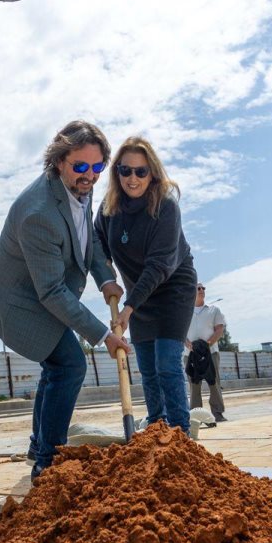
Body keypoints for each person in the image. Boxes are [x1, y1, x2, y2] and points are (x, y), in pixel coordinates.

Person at [0, 120, 132, 480]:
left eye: (97, 168)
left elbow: (89, 239)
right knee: (71, 364)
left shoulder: (80, 187)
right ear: (59, 160)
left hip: (44, 291)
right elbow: (50, 291)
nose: (90, 176)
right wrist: (103, 335)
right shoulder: (39, 214)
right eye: (80, 166)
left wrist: (105, 278)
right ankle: (47, 462)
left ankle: (39, 444)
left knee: (56, 367)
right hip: (20, 302)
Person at [95, 137, 196, 432]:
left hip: (172, 290)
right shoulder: (110, 208)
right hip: (139, 294)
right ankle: (156, 427)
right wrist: (105, 273)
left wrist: (128, 307)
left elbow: (159, 265)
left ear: (152, 172)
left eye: (141, 171)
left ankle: (180, 436)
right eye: (126, 171)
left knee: (166, 362)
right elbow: (96, 240)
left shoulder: (165, 206)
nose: (133, 178)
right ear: (117, 173)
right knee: (149, 370)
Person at [185, 283, 226, 421]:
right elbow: (180, 331)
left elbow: (219, 329)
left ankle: (218, 413)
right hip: (190, 354)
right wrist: (188, 344)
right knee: (194, 384)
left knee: (213, 382)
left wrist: (206, 345)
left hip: (211, 352)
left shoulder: (214, 309)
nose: (201, 290)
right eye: (198, 288)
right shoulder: (185, 310)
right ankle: (196, 416)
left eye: (203, 288)